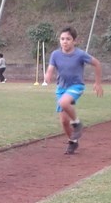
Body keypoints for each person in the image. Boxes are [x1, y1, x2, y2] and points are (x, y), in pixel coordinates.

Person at [44, 27, 103, 155]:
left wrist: (98, 83)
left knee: (63, 103)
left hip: (76, 86)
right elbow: (50, 68)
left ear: (74, 41)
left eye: (68, 39)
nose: (65, 41)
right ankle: (73, 141)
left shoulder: (80, 54)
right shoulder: (55, 54)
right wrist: (48, 74)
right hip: (61, 88)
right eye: (62, 39)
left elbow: (97, 64)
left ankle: (77, 123)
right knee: (64, 122)